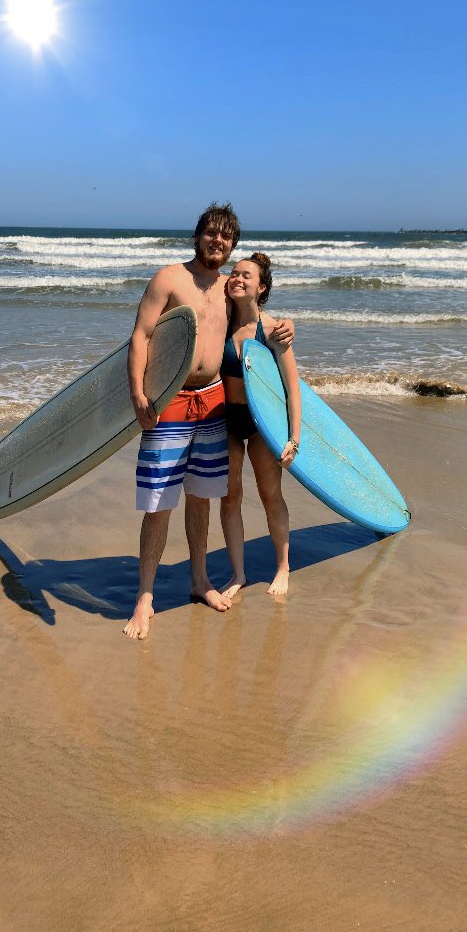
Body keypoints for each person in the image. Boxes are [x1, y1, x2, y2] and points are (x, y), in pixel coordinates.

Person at [124, 203, 293, 639]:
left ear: (232, 243)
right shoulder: (169, 279)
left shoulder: (228, 288)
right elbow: (141, 335)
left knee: (201, 497)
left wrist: (286, 326)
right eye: (211, 233)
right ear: (197, 235)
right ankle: (145, 597)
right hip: (171, 400)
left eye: (226, 236)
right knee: (159, 502)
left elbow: (258, 325)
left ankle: (199, 580)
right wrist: (140, 395)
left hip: (214, 403)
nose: (217, 241)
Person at [219, 253, 301, 600]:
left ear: (261, 287)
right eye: (234, 273)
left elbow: (292, 386)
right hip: (226, 421)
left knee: (270, 495)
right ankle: (239, 574)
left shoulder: (272, 329)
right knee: (230, 497)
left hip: (263, 423)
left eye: (246, 276)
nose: (237, 278)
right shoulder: (218, 325)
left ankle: (283, 567)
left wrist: (294, 438)